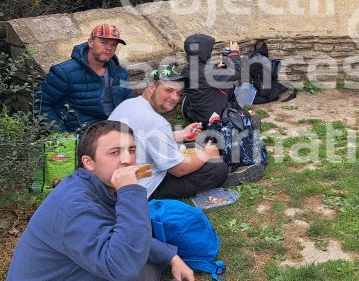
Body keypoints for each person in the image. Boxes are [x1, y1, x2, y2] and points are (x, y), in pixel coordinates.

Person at [0, 120, 203, 281]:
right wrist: (131, 192)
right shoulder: (74, 207)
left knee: (146, 257)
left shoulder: (94, 188)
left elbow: (126, 237)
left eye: (131, 150)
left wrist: (169, 255)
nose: (127, 159)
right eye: (114, 152)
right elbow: (124, 267)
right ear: (89, 162)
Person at [109, 64, 260, 198]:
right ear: (151, 87)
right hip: (140, 187)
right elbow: (178, 170)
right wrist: (207, 154)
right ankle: (230, 176)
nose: (174, 98)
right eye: (168, 90)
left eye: (178, 93)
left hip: (113, 180)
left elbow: (143, 137)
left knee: (192, 149)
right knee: (217, 168)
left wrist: (181, 135)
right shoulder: (155, 122)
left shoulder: (128, 104)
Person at [36, 23, 133, 132]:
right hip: (82, 136)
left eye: (114, 44)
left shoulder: (121, 73)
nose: (109, 48)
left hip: (115, 133)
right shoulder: (64, 72)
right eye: (103, 42)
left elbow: (127, 106)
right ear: (90, 42)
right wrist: (63, 136)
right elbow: (41, 104)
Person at [182, 34, 242, 123]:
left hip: (196, 117)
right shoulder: (210, 72)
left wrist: (218, 68)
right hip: (213, 119)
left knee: (226, 83)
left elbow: (203, 77)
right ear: (204, 52)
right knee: (245, 115)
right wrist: (234, 53)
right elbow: (236, 72)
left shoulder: (186, 70)